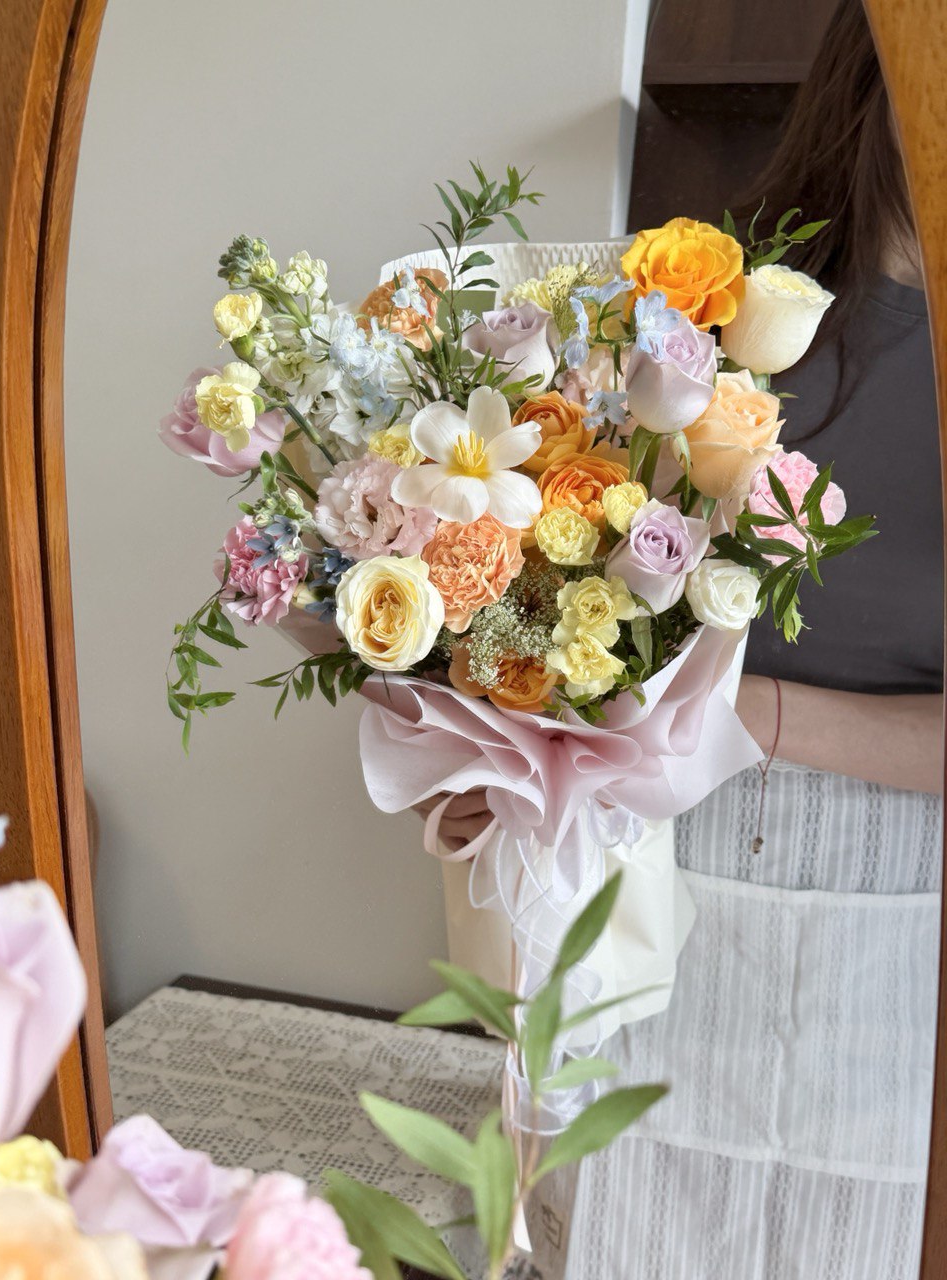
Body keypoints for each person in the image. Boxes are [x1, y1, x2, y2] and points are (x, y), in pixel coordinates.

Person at [418, 1, 943, 1275]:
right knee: (616, 1220)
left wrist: (744, 718)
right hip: (649, 885)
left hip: (899, 936)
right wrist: (498, 753)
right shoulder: (686, 312)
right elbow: (544, 605)